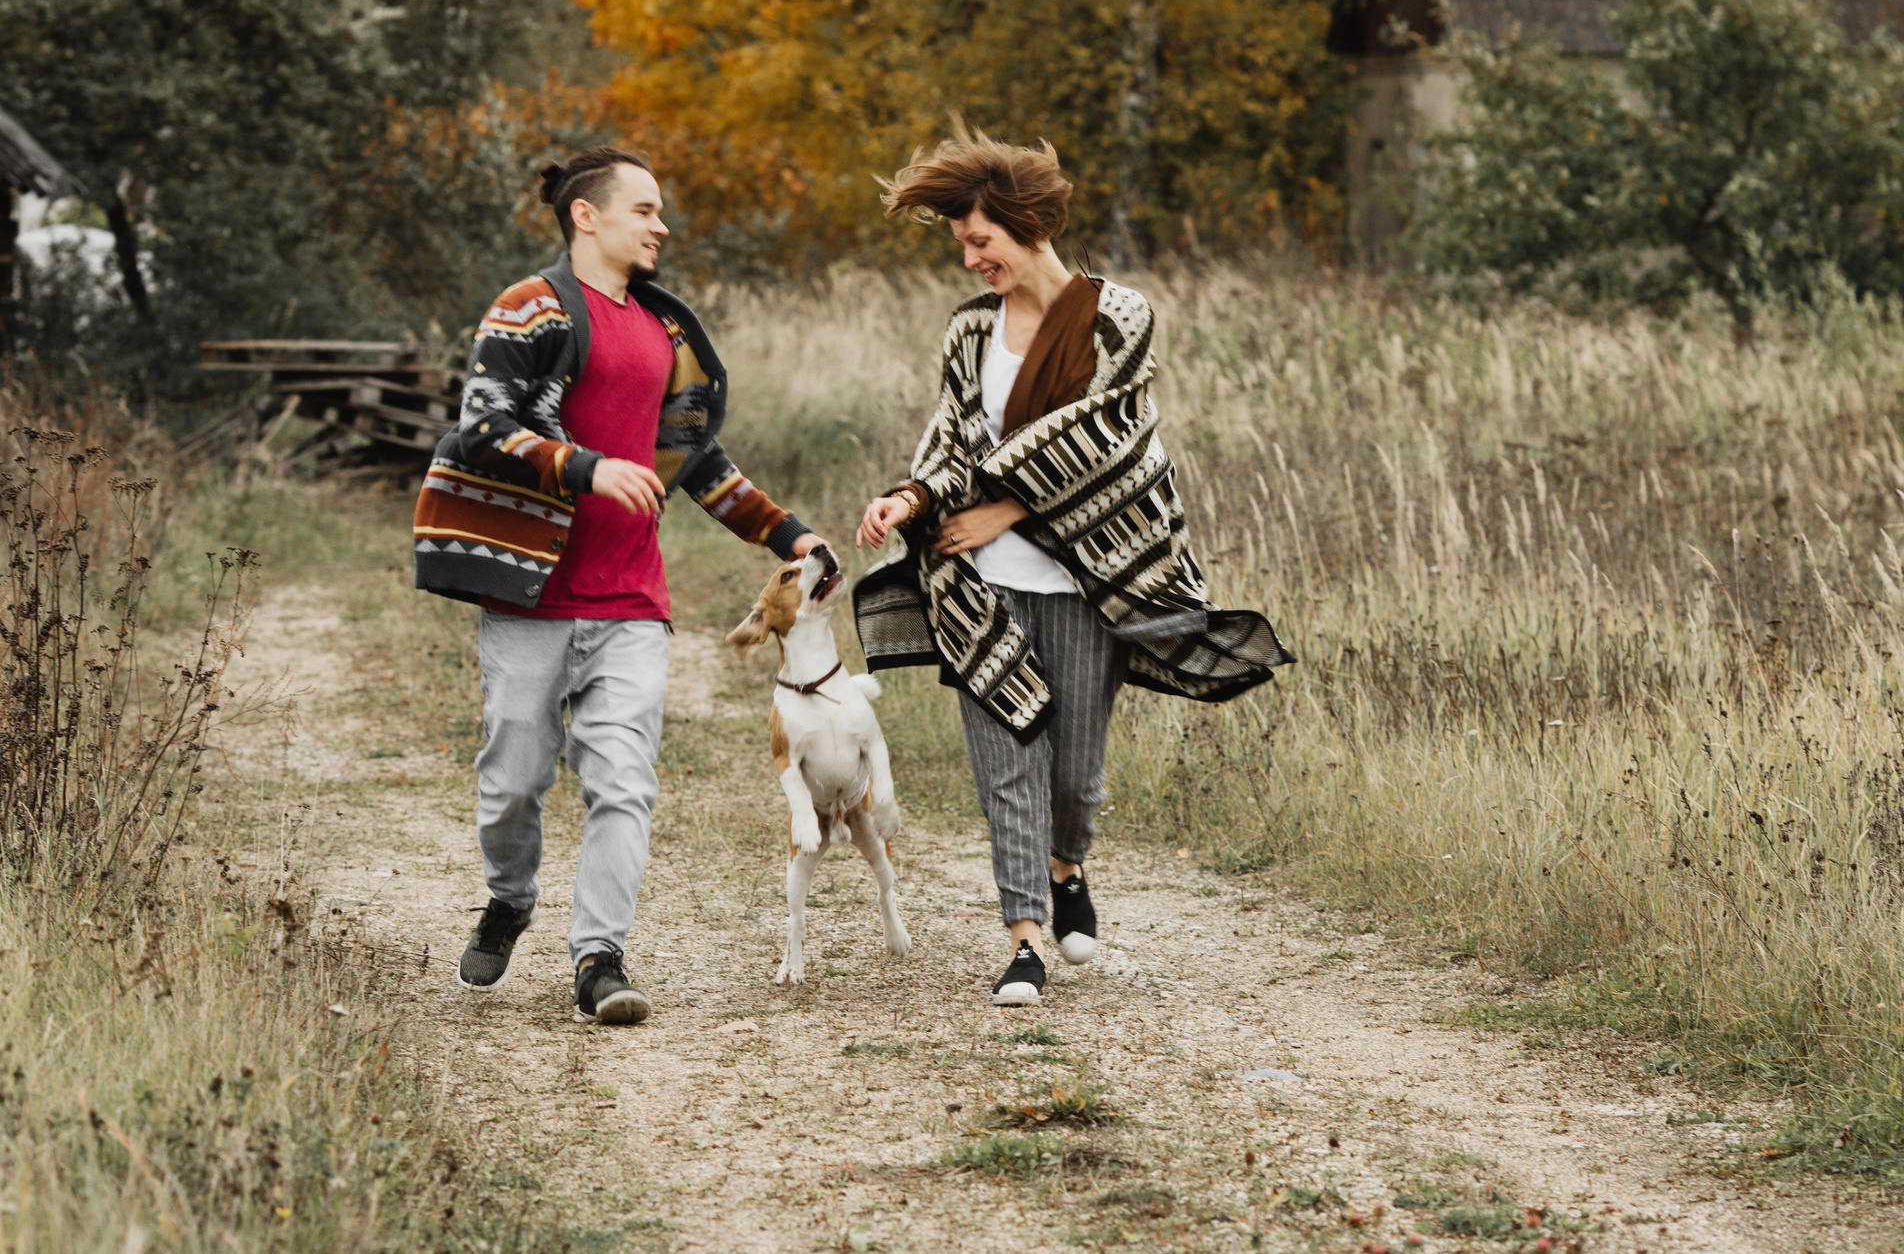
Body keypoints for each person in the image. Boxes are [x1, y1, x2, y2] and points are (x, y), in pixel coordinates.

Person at [853, 130, 1291, 1006]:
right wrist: (912, 497)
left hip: (1091, 582)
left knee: (1076, 773)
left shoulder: (1118, 317)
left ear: (1030, 225)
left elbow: (1111, 441)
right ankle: (1024, 938)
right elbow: (951, 438)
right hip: (980, 585)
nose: (971, 259)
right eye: (962, 245)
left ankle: (1068, 865)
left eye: (982, 240)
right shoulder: (970, 329)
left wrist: (1004, 507)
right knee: (1007, 764)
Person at [414, 144, 827, 1025]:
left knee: (625, 780)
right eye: (644, 208)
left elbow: (697, 459)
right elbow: (482, 426)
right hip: (530, 596)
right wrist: (586, 466)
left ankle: (599, 957)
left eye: (660, 210)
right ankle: (509, 897)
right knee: (512, 780)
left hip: (632, 599)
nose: (660, 225)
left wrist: (789, 532)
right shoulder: (530, 307)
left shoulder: (665, 332)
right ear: (586, 215)